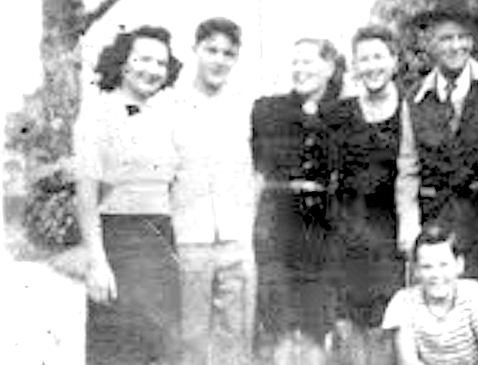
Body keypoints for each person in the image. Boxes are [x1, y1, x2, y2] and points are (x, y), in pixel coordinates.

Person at [74, 25, 183, 365]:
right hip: (118, 243)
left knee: (162, 350)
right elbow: (87, 196)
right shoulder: (96, 116)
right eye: (143, 59)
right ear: (123, 62)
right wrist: (96, 262)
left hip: (162, 244)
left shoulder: (165, 118)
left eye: (161, 64)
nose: (152, 70)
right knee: (118, 351)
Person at [169, 17, 257, 365]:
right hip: (189, 239)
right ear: (195, 50)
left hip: (235, 239)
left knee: (234, 338)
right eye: (211, 50)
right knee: (190, 337)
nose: (219, 60)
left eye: (228, 53)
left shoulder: (245, 107)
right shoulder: (171, 105)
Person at [395, 1, 478, 265]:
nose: (456, 46)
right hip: (438, 222)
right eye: (446, 39)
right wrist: (409, 226)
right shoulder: (414, 98)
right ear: (429, 43)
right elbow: (408, 170)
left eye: (463, 37)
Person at [251, 37, 345, 342]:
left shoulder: (343, 113)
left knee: (318, 321)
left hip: (323, 231)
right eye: (295, 62)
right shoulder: (267, 110)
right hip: (278, 227)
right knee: (278, 320)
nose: (299, 70)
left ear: (329, 67)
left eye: (307, 62)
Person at [324, 24, 404, 329]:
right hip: (351, 232)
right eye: (364, 59)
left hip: (394, 232)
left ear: (394, 60)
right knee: (352, 324)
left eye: (379, 57)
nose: (372, 66)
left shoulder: (410, 108)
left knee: (392, 321)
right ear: (355, 65)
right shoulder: (339, 114)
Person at [382, 224, 478, 365]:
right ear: (416, 270)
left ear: (459, 265)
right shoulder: (403, 303)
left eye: (444, 265)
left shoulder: (474, 294)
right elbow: (408, 360)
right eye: (426, 267)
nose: (436, 274)